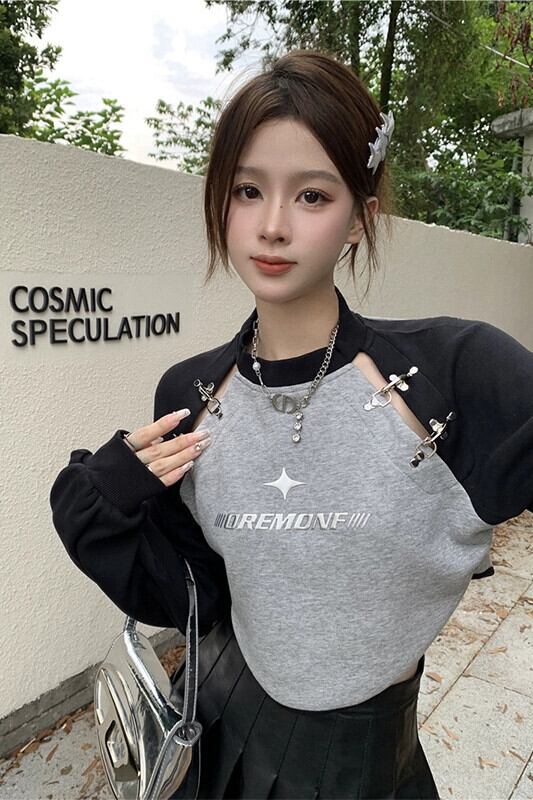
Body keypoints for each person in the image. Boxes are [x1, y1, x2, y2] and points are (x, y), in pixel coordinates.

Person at [49, 49, 533, 800]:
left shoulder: (452, 374)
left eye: (311, 195)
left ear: (358, 218)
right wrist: (104, 499)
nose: (272, 226)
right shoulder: (190, 392)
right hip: (220, 721)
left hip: (364, 757)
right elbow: (192, 592)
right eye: (248, 190)